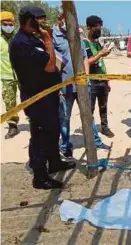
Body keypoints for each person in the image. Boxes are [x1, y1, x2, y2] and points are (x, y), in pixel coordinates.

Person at [10, 6, 75, 189]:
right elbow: (49, 67)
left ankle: (54, 161)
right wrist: (48, 41)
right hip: (37, 98)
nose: (43, 23)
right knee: (40, 135)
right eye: (40, 19)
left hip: (48, 96)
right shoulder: (22, 43)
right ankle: (40, 176)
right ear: (29, 20)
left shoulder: (32, 39)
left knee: (52, 130)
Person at [53, 12, 110, 158]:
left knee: (88, 116)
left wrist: (85, 79)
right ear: (59, 20)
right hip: (64, 86)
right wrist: (57, 86)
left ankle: (96, 141)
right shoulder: (53, 37)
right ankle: (65, 146)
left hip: (82, 85)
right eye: (64, 19)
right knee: (64, 118)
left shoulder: (77, 36)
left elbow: (85, 58)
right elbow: (53, 63)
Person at [84, 15, 114, 138]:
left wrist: (107, 80)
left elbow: (101, 62)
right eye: (96, 26)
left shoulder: (97, 43)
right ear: (89, 27)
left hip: (102, 80)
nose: (99, 29)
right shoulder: (84, 43)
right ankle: (90, 131)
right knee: (90, 108)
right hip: (92, 81)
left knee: (103, 106)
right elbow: (87, 61)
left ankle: (104, 127)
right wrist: (100, 54)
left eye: (100, 26)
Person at [1, 11, 20, 139]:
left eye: (10, 23)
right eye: (5, 24)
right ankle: (13, 126)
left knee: (30, 99)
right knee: (9, 101)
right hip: (7, 76)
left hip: (22, 75)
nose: (8, 26)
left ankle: (35, 123)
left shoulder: (18, 38)